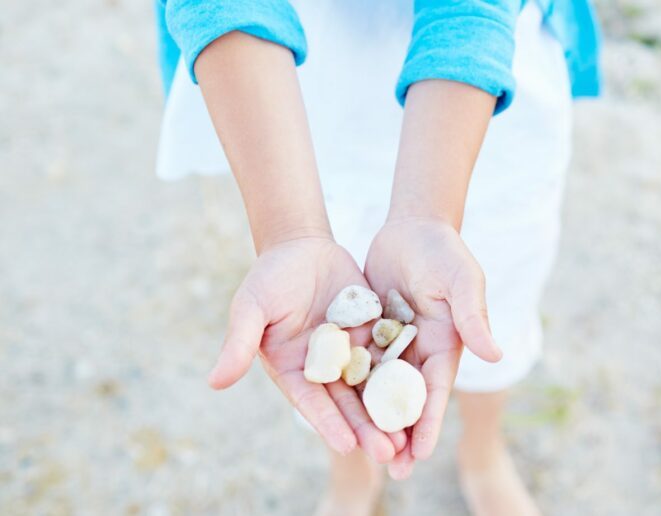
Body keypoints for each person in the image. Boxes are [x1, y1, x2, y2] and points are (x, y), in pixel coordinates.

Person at [153, 0, 599, 514]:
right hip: (287, 113)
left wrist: (427, 214)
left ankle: (482, 450)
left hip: (472, 89)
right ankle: (350, 470)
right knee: (310, 314)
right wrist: (289, 232)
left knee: (490, 307)